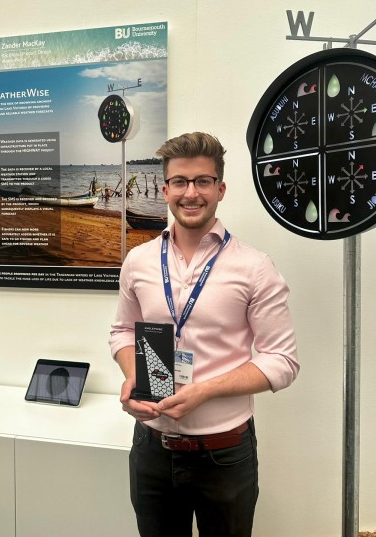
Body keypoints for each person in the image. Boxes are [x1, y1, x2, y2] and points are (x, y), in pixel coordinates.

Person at [109, 132, 299, 537]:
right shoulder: (139, 260)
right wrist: (134, 376)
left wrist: (205, 391)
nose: (190, 193)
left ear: (220, 189)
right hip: (151, 450)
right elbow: (123, 330)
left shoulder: (254, 267)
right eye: (179, 181)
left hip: (224, 455)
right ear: (164, 189)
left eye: (202, 181)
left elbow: (281, 361)